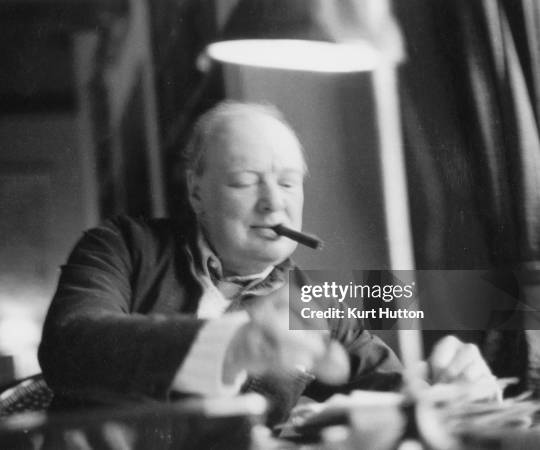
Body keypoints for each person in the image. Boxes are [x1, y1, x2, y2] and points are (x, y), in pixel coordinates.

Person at [38, 101, 496, 426]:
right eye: (244, 182)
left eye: (289, 183)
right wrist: (232, 346)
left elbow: (397, 394)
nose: (272, 202)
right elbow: (70, 345)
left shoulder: (315, 303)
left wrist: (455, 387)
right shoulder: (121, 247)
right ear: (196, 191)